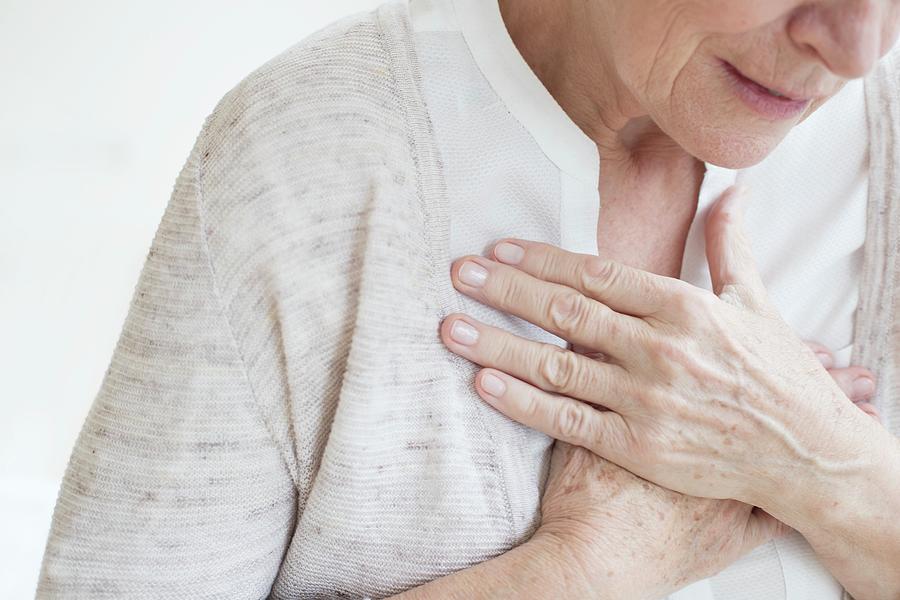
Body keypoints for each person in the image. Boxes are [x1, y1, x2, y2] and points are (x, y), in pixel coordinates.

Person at [36, 0, 900, 598]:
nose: (859, 48)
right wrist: (575, 575)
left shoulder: (883, 146)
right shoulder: (307, 158)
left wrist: (826, 466)